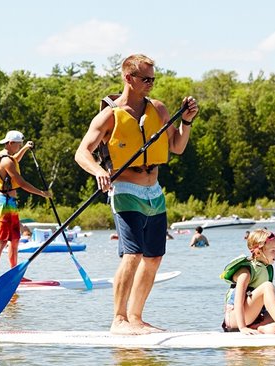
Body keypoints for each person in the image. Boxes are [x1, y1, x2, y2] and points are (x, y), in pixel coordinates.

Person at [73, 54, 199, 334]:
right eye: (146, 79)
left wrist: (186, 122)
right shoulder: (109, 115)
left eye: (153, 79)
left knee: (153, 257)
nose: (151, 84)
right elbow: (82, 153)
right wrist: (98, 171)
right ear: (128, 78)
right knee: (133, 254)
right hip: (125, 190)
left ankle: (136, 318)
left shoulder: (160, 110)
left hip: (154, 191)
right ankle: (118, 319)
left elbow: (177, 146)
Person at [0, 130, 51, 282]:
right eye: (18, 144)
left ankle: (14, 273)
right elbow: (21, 183)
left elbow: (15, 159)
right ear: (10, 143)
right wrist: (42, 193)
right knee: (3, 240)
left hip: (10, 203)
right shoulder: (6, 161)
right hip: (3, 203)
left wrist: (25, 149)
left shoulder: (7, 158)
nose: (19, 146)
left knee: (15, 239)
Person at [220, 229, 275, 334]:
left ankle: (261, 328)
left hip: (255, 317)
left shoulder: (264, 268)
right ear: (258, 252)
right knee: (267, 286)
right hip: (235, 319)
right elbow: (238, 302)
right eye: (273, 250)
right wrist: (242, 327)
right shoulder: (246, 272)